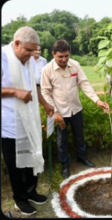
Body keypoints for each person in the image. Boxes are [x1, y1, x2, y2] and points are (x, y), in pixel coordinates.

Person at [1, 26, 54, 216]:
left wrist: (45, 104)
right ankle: (20, 199)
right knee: (15, 164)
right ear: (16, 44)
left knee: (32, 157)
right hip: (9, 123)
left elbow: (33, 86)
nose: (32, 55)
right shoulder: (3, 57)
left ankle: (31, 191)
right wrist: (14, 92)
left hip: (29, 120)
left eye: (34, 50)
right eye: (29, 50)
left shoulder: (28, 62)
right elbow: (18, 91)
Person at [40, 40, 110, 179]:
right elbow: (45, 92)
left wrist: (97, 100)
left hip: (76, 109)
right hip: (60, 112)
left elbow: (84, 84)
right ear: (53, 54)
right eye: (60, 57)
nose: (64, 59)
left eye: (66, 56)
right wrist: (55, 112)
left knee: (79, 135)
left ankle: (81, 157)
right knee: (62, 140)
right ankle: (65, 164)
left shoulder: (75, 65)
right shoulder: (47, 70)